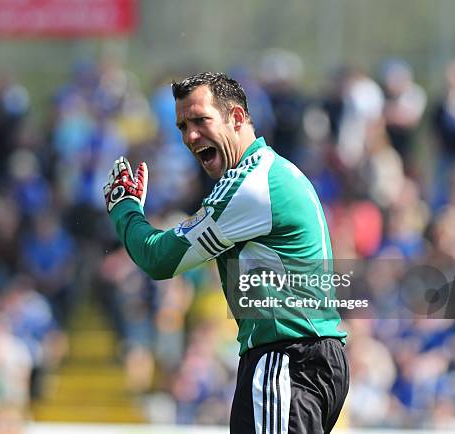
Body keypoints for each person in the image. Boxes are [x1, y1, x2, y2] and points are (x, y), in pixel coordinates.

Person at [103, 72, 349, 434]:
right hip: (308, 358)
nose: (190, 136)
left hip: (286, 358)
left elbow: (159, 259)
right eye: (182, 125)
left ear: (236, 118)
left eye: (201, 120)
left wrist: (125, 210)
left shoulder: (252, 185)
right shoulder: (275, 171)